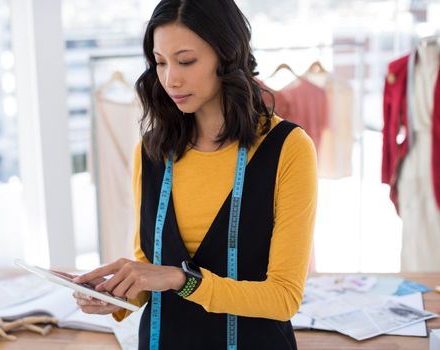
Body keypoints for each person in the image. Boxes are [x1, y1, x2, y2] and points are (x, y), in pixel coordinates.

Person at [72, 0, 317, 349]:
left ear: (226, 56)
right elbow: (150, 264)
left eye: (186, 60)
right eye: (160, 63)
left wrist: (181, 280)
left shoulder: (287, 148)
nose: (171, 78)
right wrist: (118, 296)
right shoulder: (152, 152)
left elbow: (284, 298)